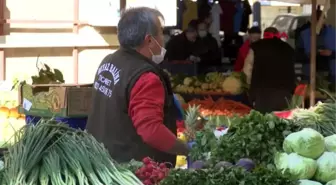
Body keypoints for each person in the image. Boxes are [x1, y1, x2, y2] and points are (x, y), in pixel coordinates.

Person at [86, 7, 189, 165]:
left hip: (102, 162)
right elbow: (151, 130)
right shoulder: (145, 77)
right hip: (133, 171)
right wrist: (185, 149)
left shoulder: (109, 61)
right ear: (149, 40)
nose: (163, 38)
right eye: (161, 32)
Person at [243, 27, 296, 113]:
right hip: (284, 93)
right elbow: (291, 70)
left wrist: (250, 85)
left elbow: (247, 69)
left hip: (262, 92)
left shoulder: (256, 46)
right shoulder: (288, 48)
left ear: (264, 35)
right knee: (282, 121)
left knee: (262, 121)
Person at [297, 10, 336, 82]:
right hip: (309, 73)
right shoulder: (304, 34)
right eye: (315, 19)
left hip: (332, 73)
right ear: (311, 20)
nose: (318, 22)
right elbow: (298, 54)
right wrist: (309, 55)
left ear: (324, 19)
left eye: (320, 19)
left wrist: (332, 53)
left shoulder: (334, 33)